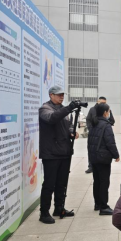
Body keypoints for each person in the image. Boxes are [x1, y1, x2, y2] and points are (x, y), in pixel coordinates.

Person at [38, 85, 78, 224]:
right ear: (51, 95)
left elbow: (69, 125)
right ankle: (44, 213)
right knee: (49, 184)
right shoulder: (45, 109)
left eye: (63, 94)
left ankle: (59, 208)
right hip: (51, 154)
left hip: (64, 151)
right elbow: (52, 119)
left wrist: (72, 131)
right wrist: (68, 108)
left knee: (62, 183)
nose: (62, 97)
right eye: (59, 94)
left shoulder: (63, 110)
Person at [87, 103, 120, 215]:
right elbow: (110, 142)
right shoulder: (106, 125)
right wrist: (116, 155)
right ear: (105, 113)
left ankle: (97, 204)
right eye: (109, 111)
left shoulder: (93, 123)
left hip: (94, 157)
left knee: (97, 181)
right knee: (104, 182)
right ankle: (104, 206)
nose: (109, 113)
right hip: (103, 158)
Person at [85, 96, 115, 173]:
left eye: (105, 103)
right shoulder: (93, 109)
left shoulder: (107, 110)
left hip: (104, 132)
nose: (103, 104)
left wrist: (107, 125)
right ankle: (91, 166)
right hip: (94, 133)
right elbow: (88, 119)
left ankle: (101, 164)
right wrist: (90, 129)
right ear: (98, 102)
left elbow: (112, 120)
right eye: (102, 102)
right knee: (92, 149)